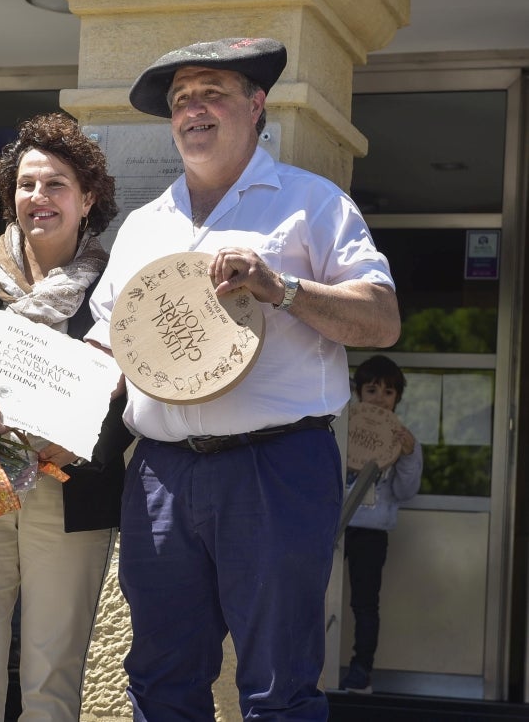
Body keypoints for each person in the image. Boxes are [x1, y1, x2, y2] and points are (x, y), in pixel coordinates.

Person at [85, 37, 401, 720]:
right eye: (179, 101)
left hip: (277, 468)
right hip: (162, 474)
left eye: (211, 93)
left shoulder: (312, 204)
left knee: (277, 687)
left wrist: (281, 288)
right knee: (160, 678)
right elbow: (107, 351)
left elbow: (382, 322)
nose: (193, 110)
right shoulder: (142, 226)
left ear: (256, 106)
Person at [0, 112, 133, 720]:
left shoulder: (112, 291)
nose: (38, 197)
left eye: (55, 185)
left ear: (88, 197)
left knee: (52, 678)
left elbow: (132, 397)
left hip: (66, 496)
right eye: (26, 184)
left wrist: (67, 440)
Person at [342, 355, 423, 694]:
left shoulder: (403, 440)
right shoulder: (341, 430)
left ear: (397, 399)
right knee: (314, 598)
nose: (379, 398)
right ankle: (313, 668)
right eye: (371, 389)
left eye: (388, 392)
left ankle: (361, 672)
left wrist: (407, 455)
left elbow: (406, 492)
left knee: (364, 603)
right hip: (334, 528)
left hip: (372, 532)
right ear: (358, 392)